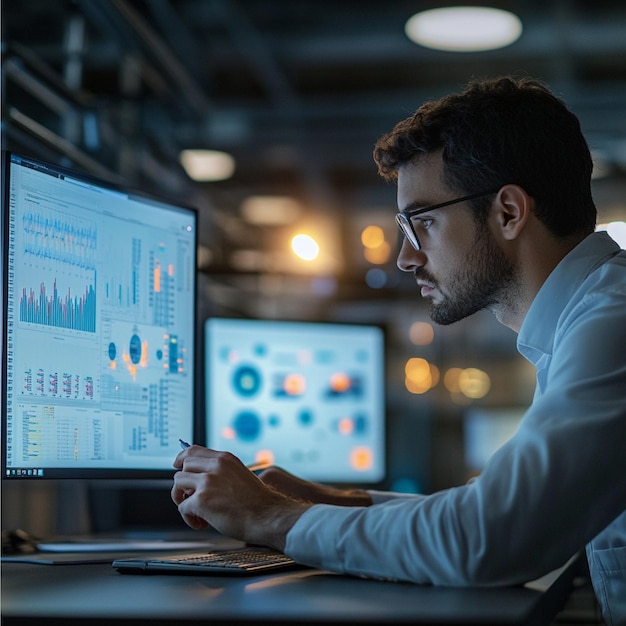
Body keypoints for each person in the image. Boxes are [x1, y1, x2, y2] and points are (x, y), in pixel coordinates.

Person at [172, 77, 626, 625]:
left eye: (423, 223)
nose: (407, 258)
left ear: (509, 212)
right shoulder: (587, 319)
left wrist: (270, 517)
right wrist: (329, 503)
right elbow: (502, 509)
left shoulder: (612, 323)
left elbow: (493, 535)